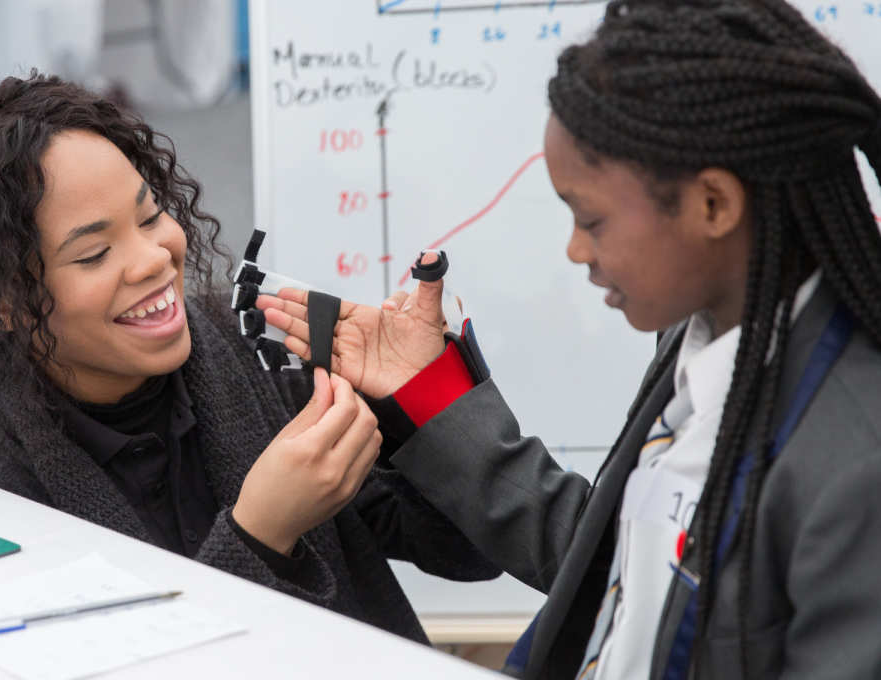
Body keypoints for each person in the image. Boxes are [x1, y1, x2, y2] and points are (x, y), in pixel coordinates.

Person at [256, 1, 881, 677]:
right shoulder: (698, 338)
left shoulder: (856, 473)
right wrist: (428, 393)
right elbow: (617, 565)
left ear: (714, 205)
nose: (576, 250)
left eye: (592, 220)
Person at [0, 73, 500, 643]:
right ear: (1, 303)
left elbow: (470, 552)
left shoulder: (257, 352)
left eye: (151, 215)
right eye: (93, 254)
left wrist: (426, 396)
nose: (153, 258)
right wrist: (259, 536)